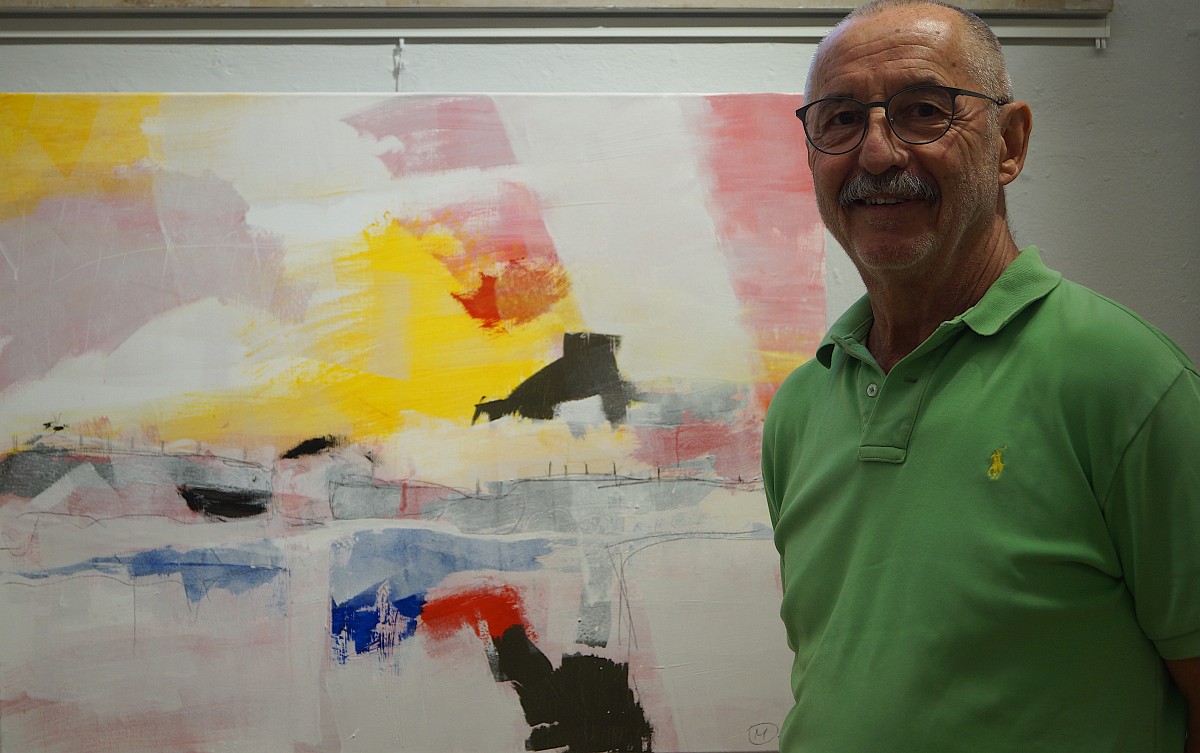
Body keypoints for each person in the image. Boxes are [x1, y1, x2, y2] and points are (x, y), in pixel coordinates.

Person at [761, 1, 1200, 751]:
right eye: (841, 120)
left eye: (922, 111)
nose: (876, 154)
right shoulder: (800, 407)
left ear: (1009, 143)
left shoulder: (1129, 383)